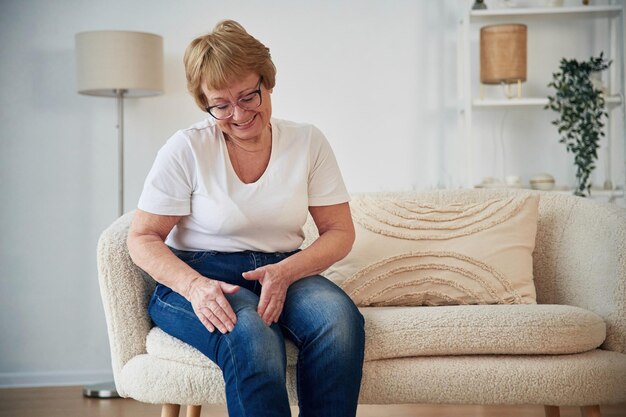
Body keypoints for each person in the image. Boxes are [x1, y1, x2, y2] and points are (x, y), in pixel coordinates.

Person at [127, 20, 365, 417]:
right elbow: (142, 237)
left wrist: (288, 271)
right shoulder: (186, 148)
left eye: (248, 96)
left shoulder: (307, 142)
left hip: (284, 267)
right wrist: (195, 287)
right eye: (220, 104)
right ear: (205, 102)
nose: (238, 114)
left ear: (267, 82)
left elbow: (339, 232)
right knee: (252, 334)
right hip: (200, 275)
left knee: (339, 322)